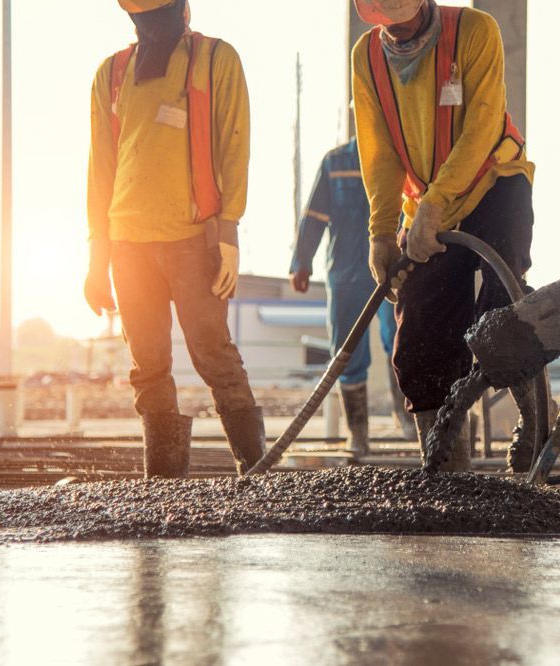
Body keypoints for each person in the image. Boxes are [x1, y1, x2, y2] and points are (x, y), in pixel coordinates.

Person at [351, 0, 536, 471]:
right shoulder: (368, 57)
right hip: (429, 206)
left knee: (502, 309)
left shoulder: (476, 31)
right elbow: (379, 152)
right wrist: (381, 231)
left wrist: (434, 206)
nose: (400, 34)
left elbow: (482, 126)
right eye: (389, 26)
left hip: (496, 184)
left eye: (408, 23)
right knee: (420, 335)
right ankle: (447, 474)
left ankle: (535, 418)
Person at [85, 0, 264, 478]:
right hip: (128, 246)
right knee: (148, 368)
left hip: (192, 241)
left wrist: (228, 233)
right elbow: (100, 172)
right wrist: (96, 257)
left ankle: (256, 471)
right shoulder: (112, 74)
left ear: (183, 10)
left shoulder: (215, 60)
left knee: (214, 356)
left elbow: (235, 146)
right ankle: (163, 484)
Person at [290, 138, 418, 457]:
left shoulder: (403, 154)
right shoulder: (336, 163)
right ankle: (357, 432)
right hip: (346, 273)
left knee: (402, 341)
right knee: (347, 350)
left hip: (393, 270)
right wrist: (301, 263)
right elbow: (314, 218)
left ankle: (405, 415)